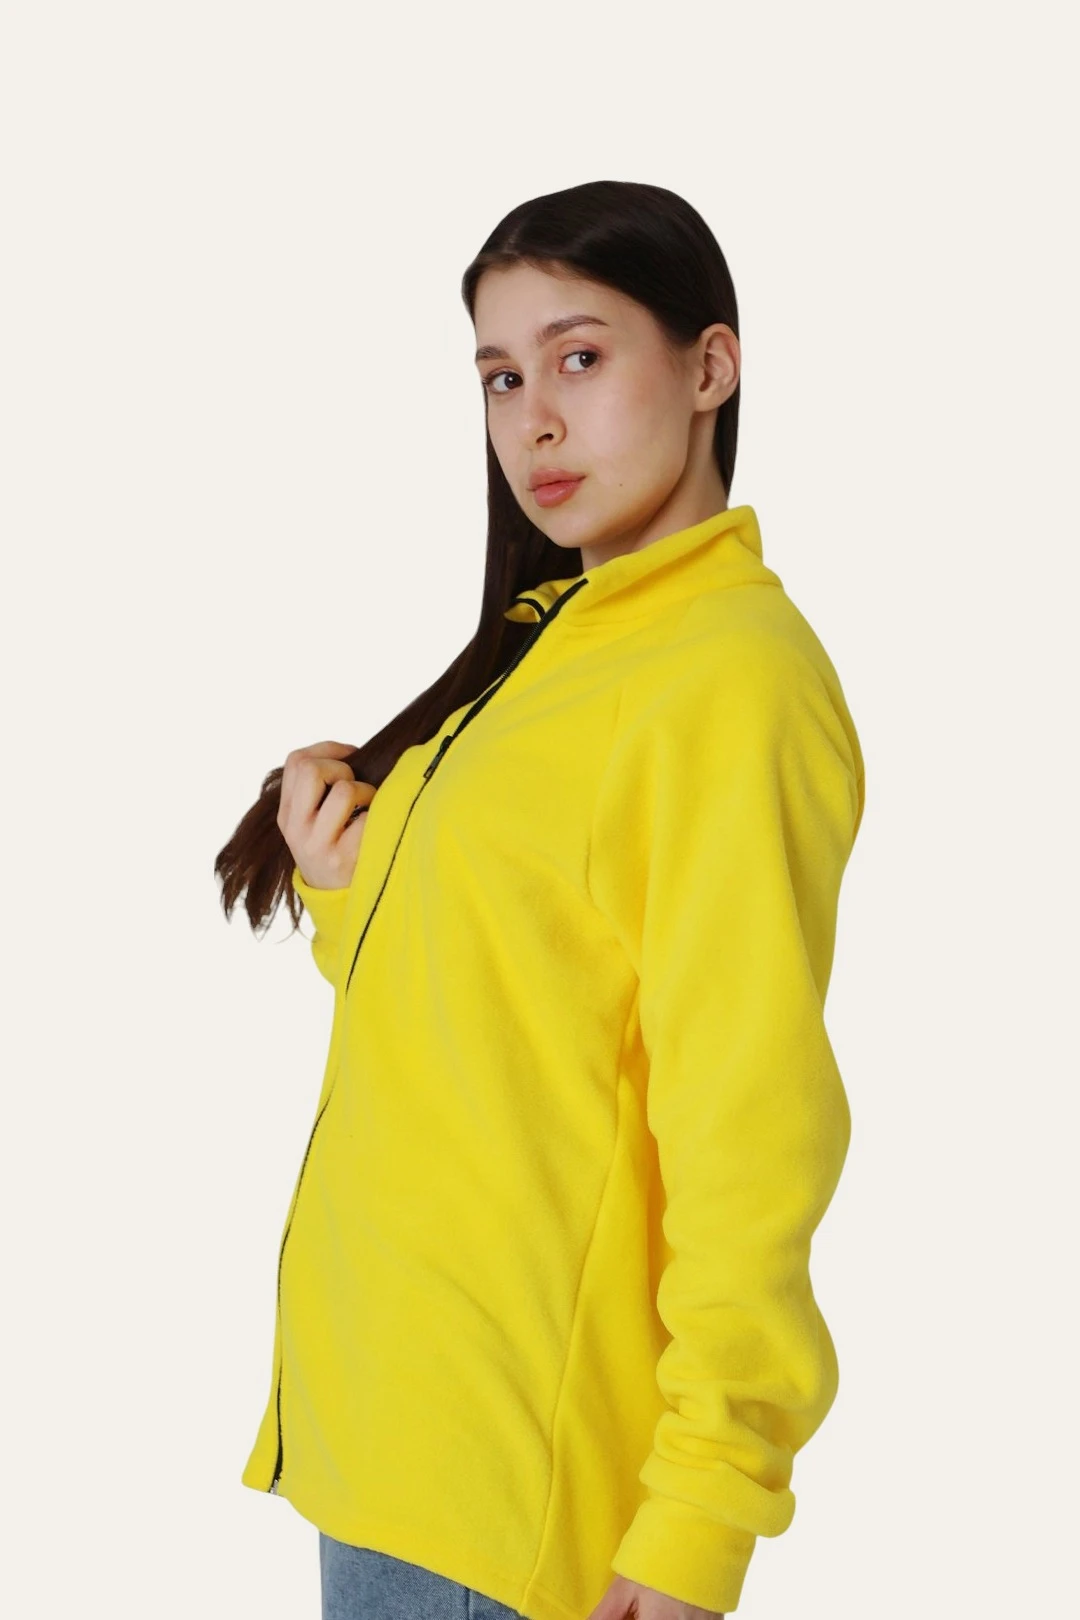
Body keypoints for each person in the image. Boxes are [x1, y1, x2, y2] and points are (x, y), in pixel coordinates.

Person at [215, 178, 866, 1620]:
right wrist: (347, 892)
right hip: (388, 1430)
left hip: (506, 1487)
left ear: (710, 366)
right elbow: (506, 1013)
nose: (534, 422)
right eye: (502, 378)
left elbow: (749, 1117)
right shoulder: (549, 651)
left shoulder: (728, 676)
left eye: (579, 357)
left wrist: (706, 1503)